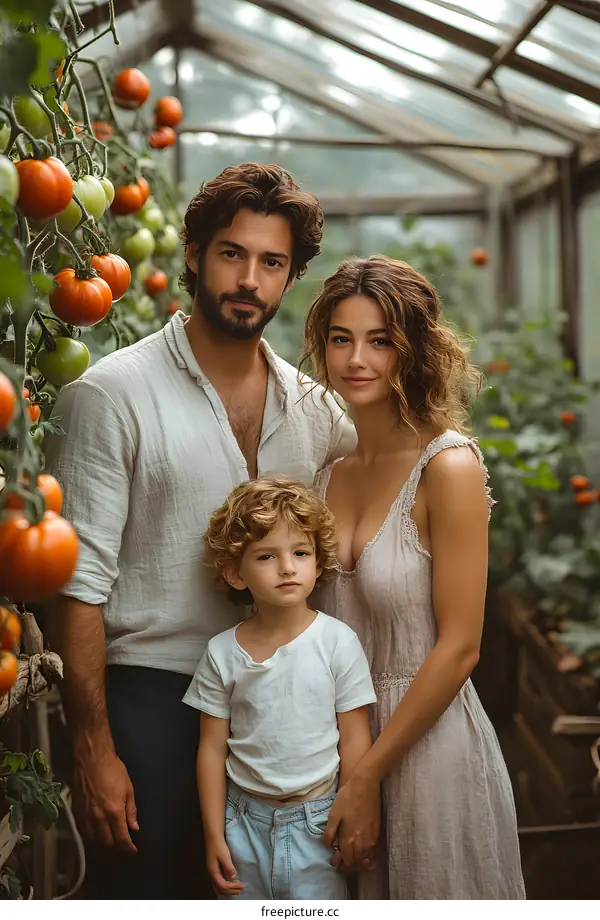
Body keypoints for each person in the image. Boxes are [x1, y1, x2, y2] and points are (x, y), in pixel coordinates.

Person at [43, 163, 356, 900]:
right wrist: (94, 748)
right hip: (152, 700)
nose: (249, 279)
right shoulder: (110, 395)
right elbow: (77, 584)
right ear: (193, 254)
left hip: (286, 708)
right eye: (231, 254)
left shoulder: (316, 411)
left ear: (292, 276)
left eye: (271, 262)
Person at [302, 256, 526, 899]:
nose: (356, 359)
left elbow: (460, 647)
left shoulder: (447, 466)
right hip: (338, 747)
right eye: (340, 339)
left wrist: (368, 775)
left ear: (414, 350)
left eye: (380, 341)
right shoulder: (329, 472)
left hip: (426, 748)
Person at [184, 476, 376, 900]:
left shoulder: (337, 642)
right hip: (242, 826)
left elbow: (355, 739)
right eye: (267, 556)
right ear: (236, 572)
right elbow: (212, 749)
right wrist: (214, 835)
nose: (287, 567)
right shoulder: (221, 653)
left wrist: (352, 817)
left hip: (319, 825)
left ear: (318, 561)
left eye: (300, 552)